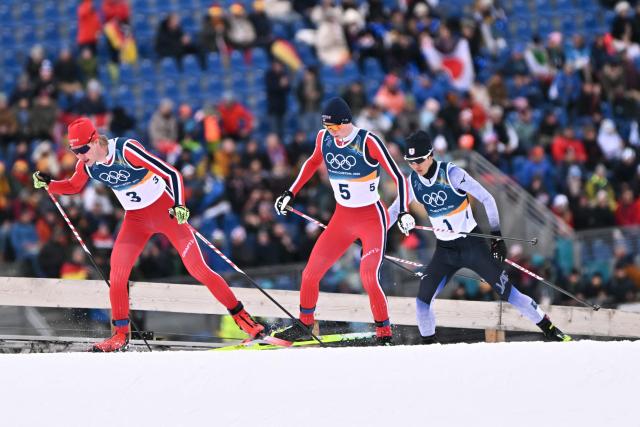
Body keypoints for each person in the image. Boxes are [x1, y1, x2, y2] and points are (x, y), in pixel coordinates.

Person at [32, 117, 265, 352]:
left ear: (94, 141)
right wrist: (49, 184)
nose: (79, 156)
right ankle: (120, 336)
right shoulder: (87, 165)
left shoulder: (126, 150)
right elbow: (73, 186)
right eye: (74, 151)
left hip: (166, 212)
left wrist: (180, 204)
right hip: (135, 220)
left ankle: (246, 321)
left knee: (198, 268)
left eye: (82, 149)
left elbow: (172, 174)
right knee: (118, 273)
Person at [387, 130, 572, 343]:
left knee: (508, 292)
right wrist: (376, 234)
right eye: (410, 161)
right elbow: (394, 211)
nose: (415, 165)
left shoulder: (452, 174)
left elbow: (487, 198)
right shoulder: (412, 182)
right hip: (445, 251)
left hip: (472, 246)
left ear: (430, 155)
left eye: (419, 160)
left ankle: (549, 328)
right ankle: (430, 347)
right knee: (422, 302)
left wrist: (496, 235)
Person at [272, 97, 413, 345]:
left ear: (347, 122)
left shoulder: (368, 141)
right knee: (309, 274)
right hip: (342, 217)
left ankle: (384, 334)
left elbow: (400, 179)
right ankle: (305, 324)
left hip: (371, 218)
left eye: (336, 127)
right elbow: (312, 162)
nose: (332, 133)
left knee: (368, 276)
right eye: (328, 127)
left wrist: (403, 212)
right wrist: (290, 192)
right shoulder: (323, 138)